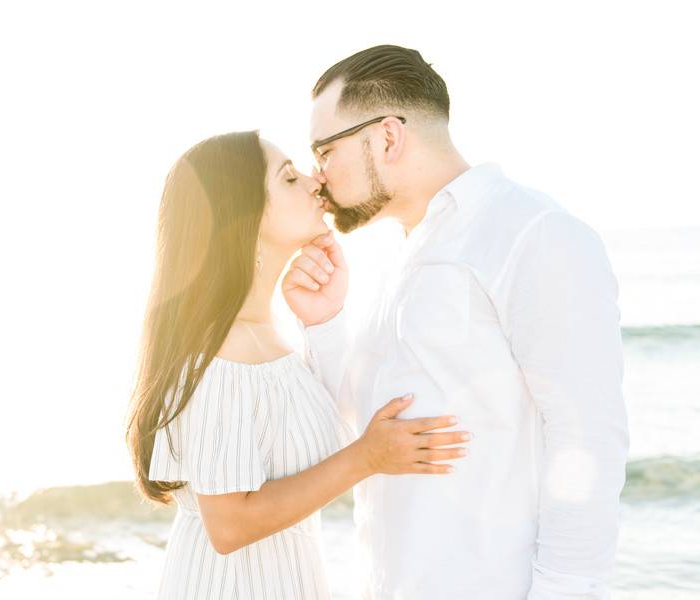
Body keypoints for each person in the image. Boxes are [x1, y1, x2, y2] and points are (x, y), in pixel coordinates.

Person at [283, 45, 630, 599]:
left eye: (325, 150)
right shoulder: (398, 259)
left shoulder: (532, 233)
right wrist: (324, 325)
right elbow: (361, 436)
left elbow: (588, 436)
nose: (317, 176)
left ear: (388, 137)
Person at [125, 130, 470, 599]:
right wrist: (367, 458)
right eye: (288, 177)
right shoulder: (220, 353)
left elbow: (324, 445)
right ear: (243, 215)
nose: (314, 182)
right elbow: (229, 525)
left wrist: (323, 321)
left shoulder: (262, 332)